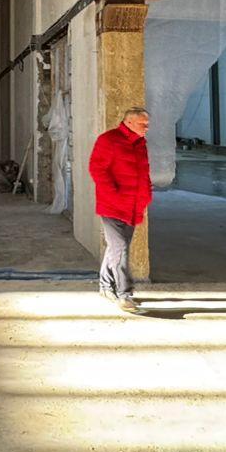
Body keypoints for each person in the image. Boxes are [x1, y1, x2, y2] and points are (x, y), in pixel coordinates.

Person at [88, 106, 151, 314]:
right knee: (120, 247)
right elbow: (97, 169)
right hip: (112, 206)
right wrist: (114, 195)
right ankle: (124, 294)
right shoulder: (109, 140)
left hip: (133, 206)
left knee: (115, 248)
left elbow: (143, 173)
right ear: (129, 122)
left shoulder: (140, 143)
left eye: (147, 124)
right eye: (143, 124)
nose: (146, 127)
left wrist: (145, 197)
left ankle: (105, 286)